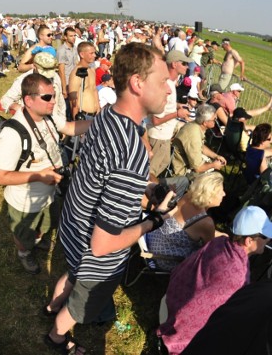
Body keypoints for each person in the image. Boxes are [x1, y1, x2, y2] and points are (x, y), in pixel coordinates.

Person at [46, 43, 175, 354]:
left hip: (74, 227)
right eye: (162, 82)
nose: (169, 90)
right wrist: (154, 220)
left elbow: (106, 169)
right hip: (97, 255)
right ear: (137, 83)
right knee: (81, 306)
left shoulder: (107, 115)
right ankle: (56, 337)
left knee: (73, 272)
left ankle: (50, 307)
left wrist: (140, 188)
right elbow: (103, 245)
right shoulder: (132, 153)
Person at [0, 73, 90, 275]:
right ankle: (24, 253)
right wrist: (39, 175)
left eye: (53, 96)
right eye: (47, 97)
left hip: (48, 194)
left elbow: (70, 128)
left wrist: (100, 121)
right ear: (28, 100)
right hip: (24, 201)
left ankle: (39, 239)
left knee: (45, 225)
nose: (54, 101)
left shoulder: (48, 116)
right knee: (24, 234)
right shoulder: (13, 133)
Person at [158, 206, 272, 354]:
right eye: (265, 236)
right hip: (180, 331)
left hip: (171, 300)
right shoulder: (239, 277)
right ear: (249, 241)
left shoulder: (220, 241)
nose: (269, 239)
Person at [145, 172, 225, 271]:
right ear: (210, 195)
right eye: (221, 191)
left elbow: (190, 227)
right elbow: (209, 249)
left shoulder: (187, 197)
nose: (224, 194)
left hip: (152, 239)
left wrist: (219, 233)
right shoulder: (206, 222)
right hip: (163, 258)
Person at [146, 50, 193, 178]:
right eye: (183, 63)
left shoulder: (169, 83)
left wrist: (176, 106)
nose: (187, 67)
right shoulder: (166, 85)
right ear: (174, 64)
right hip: (158, 136)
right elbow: (156, 120)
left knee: (164, 162)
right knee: (150, 173)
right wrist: (178, 113)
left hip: (163, 135)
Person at [170, 104, 227, 178]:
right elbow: (198, 168)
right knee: (215, 178)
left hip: (185, 163)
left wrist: (216, 156)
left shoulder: (194, 125)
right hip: (182, 172)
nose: (216, 121)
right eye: (214, 119)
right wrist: (213, 165)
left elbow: (201, 146)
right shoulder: (194, 134)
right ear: (205, 122)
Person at [67, 41, 99, 119]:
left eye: (94, 53)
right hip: (83, 116)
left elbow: (94, 90)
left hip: (95, 115)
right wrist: (76, 121)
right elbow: (73, 100)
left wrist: (98, 108)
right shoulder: (76, 73)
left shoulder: (92, 70)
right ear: (82, 54)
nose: (94, 55)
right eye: (91, 53)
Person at [56, 27, 80, 101]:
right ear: (65, 37)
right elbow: (61, 71)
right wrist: (64, 89)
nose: (73, 38)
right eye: (71, 36)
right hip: (66, 82)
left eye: (74, 36)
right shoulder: (62, 50)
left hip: (74, 80)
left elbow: (76, 63)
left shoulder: (74, 47)